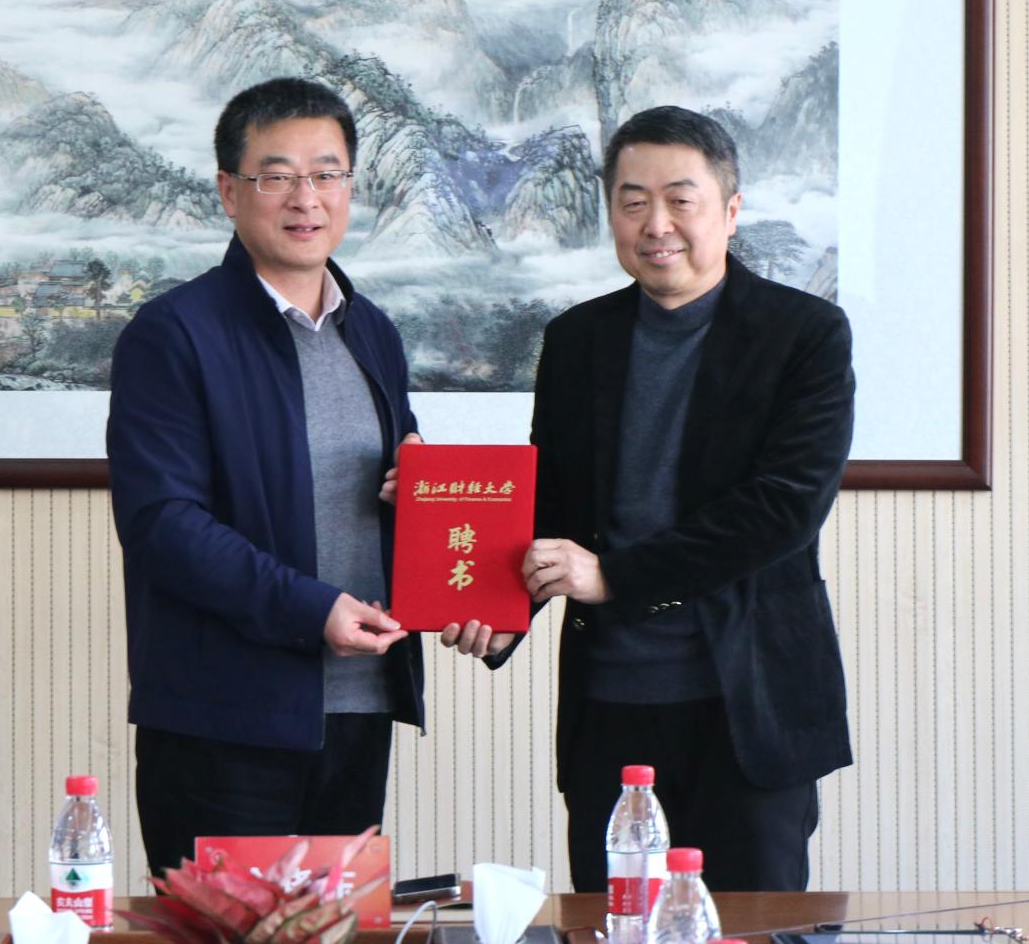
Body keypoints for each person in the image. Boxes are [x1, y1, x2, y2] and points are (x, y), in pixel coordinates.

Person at [442, 104, 856, 893]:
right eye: (632, 201)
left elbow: (784, 508)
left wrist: (615, 576)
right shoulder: (576, 340)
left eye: (679, 199)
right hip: (610, 704)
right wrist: (495, 608)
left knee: (749, 929)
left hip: (747, 707)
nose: (655, 224)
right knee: (613, 925)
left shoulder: (804, 334)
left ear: (730, 210)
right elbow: (552, 507)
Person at [107, 76, 423, 877]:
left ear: (350, 186)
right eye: (277, 175)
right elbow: (162, 524)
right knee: (226, 934)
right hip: (223, 723)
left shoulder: (373, 331)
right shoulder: (174, 333)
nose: (305, 198)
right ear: (229, 191)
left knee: (338, 931)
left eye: (327, 173)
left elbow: (386, 489)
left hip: (359, 708)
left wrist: (421, 493)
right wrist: (313, 609)